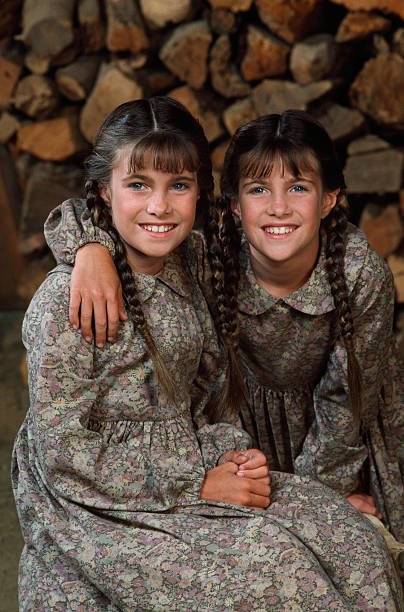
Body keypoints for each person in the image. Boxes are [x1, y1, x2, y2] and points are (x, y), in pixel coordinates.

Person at [28, 98, 403, 609]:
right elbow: (63, 450)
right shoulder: (71, 298)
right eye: (139, 185)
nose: (160, 205)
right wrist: (88, 248)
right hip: (117, 486)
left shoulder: (193, 257)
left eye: (178, 186)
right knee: (280, 575)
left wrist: (235, 453)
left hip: (218, 448)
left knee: (358, 550)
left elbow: (214, 392)